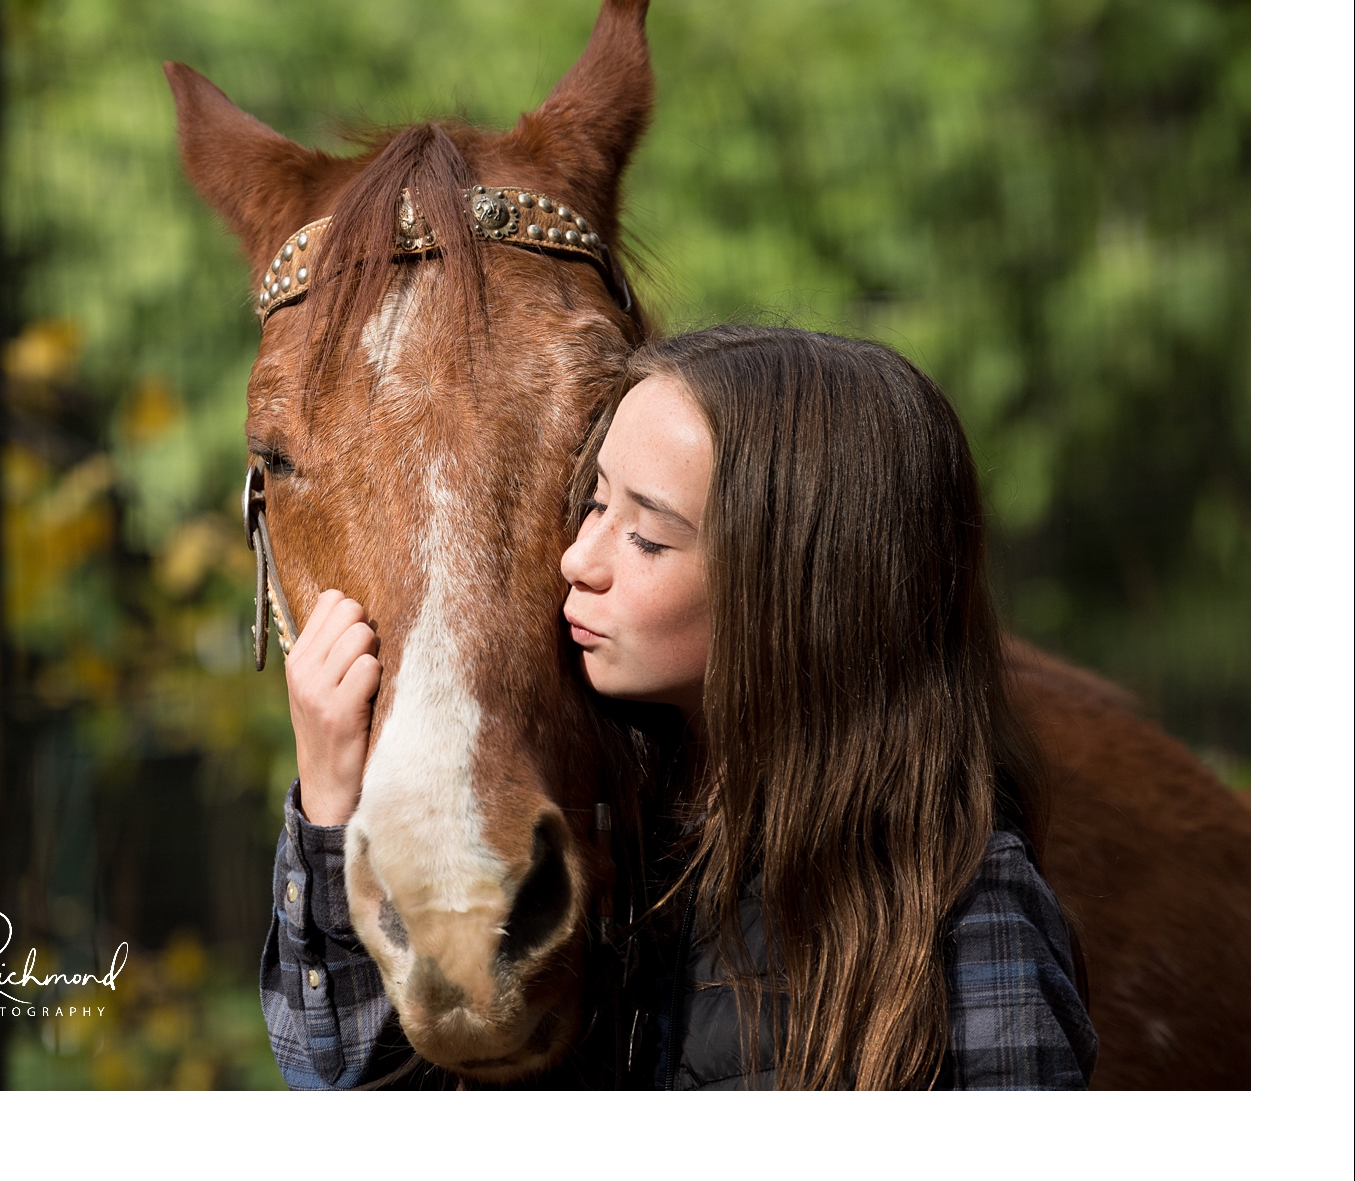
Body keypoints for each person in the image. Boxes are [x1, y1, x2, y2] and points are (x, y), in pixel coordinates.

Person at [260, 325, 1098, 1090]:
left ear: (803, 594)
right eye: (592, 501)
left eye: (647, 536)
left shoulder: (966, 911)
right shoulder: (620, 855)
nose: (577, 559)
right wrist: (331, 814)